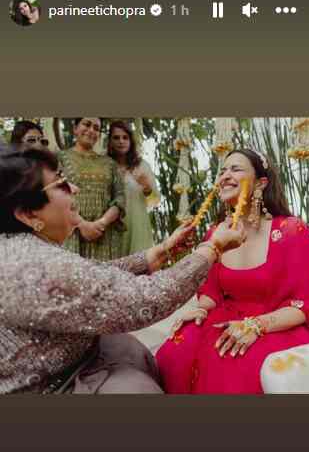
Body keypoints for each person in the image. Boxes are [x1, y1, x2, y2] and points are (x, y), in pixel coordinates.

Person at [0, 146, 245, 394]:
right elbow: (144, 299)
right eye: (61, 184)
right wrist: (211, 249)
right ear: (28, 214)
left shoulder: (17, 246)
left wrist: (156, 254)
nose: (75, 188)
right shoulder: (32, 266)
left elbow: (89, 276)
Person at [156, 148, 309, 394]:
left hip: (276, 323)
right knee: (175, 351)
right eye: (222, 171)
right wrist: (199, 309)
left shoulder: (292, 231)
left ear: (261, 183)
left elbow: (304, 304)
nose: (225, 176)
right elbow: (212, 293)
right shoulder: (216, 233)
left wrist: (255, 326)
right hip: (225, 318)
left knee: (230, 361)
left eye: (236, 169)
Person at [59, 118, 126, 261]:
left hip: (104, 235)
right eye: (87, 124)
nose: (91, 130)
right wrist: (82, 225)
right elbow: (55, 194)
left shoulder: (109, 163)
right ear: (75, 128)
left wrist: (101, 223)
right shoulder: (60, 158)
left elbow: (120, 198)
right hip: (71, 233)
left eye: (96, 128)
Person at [107, 121, 160, 256]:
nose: (121, 141)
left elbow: (154, 202)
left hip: (138, 228)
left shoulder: (142, 166)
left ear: (131, 141)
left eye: (125, 137)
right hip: (111, 228)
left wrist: (147, 188)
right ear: (110, 141)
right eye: (116, 137)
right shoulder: (105, 165)